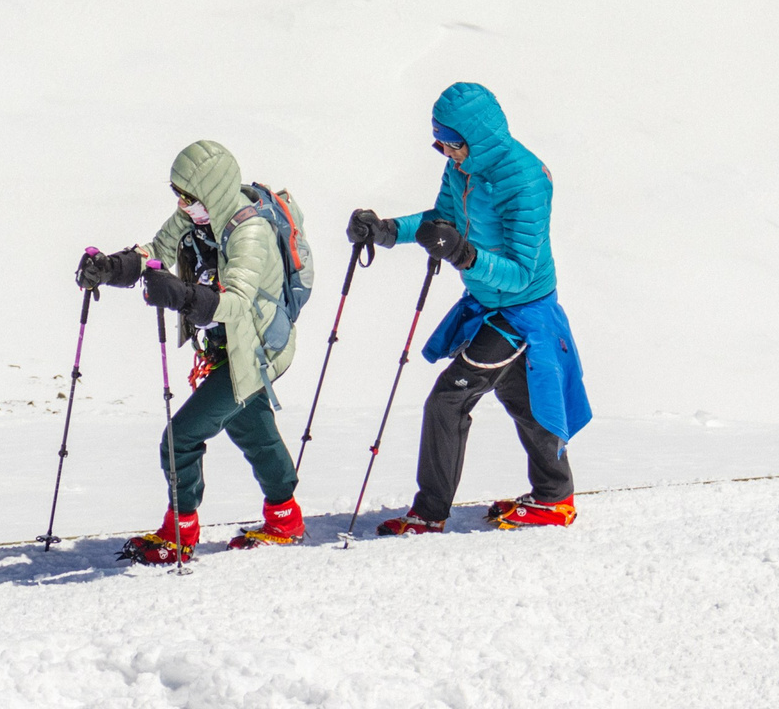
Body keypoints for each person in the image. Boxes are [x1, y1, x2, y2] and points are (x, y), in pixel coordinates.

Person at [348, 82, 592, 534]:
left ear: (478, 137)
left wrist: (466, 256)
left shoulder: (525, 180)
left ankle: (429, 513)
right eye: (438, 142)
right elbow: (440, 220)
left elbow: (522, 271)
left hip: (523, 312)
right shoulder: (461, 168)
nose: (445, 151)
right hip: (486, 302)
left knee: (448, 399)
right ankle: (553, 498)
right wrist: (384, 230)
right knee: (524, 400)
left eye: (452, 142)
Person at [77, 139, 306, 561]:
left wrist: (182, 295)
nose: (183, 204)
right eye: (178, 194)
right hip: (224, 347)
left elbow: (236, 302)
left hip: (254, 352)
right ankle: (285, 518)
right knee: (252, 429)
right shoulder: (193, 218)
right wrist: (110, 268)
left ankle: (179, 534)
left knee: (179, 439)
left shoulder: (249, 231)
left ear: (213, 191)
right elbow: (156, 253)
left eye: (190, 195)